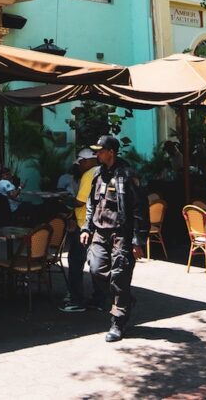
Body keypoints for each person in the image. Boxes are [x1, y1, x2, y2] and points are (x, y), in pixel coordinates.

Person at [81, 135, 149, 342]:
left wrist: (138, 240)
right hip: (100, 232)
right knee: (95, 268)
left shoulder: (127, 175)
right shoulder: (98, 174)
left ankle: (118, 322)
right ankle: (125, 298)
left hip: (121, 233)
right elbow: (92, 203)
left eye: (100, 151)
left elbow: (140, 209)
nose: (97, 155)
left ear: (111, 152)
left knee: (120, 275)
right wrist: (86, 228)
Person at [60, 148, 101, 313]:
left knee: (76, 262)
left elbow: (80, 202)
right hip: (99, 225)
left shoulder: (89, 174)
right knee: (97, 264)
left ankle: (76, 300)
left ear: (86, 161)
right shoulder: (103, 171)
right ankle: (99, 299)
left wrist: (66, 200)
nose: (79, 166)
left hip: (85, 225)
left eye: (81, 163)